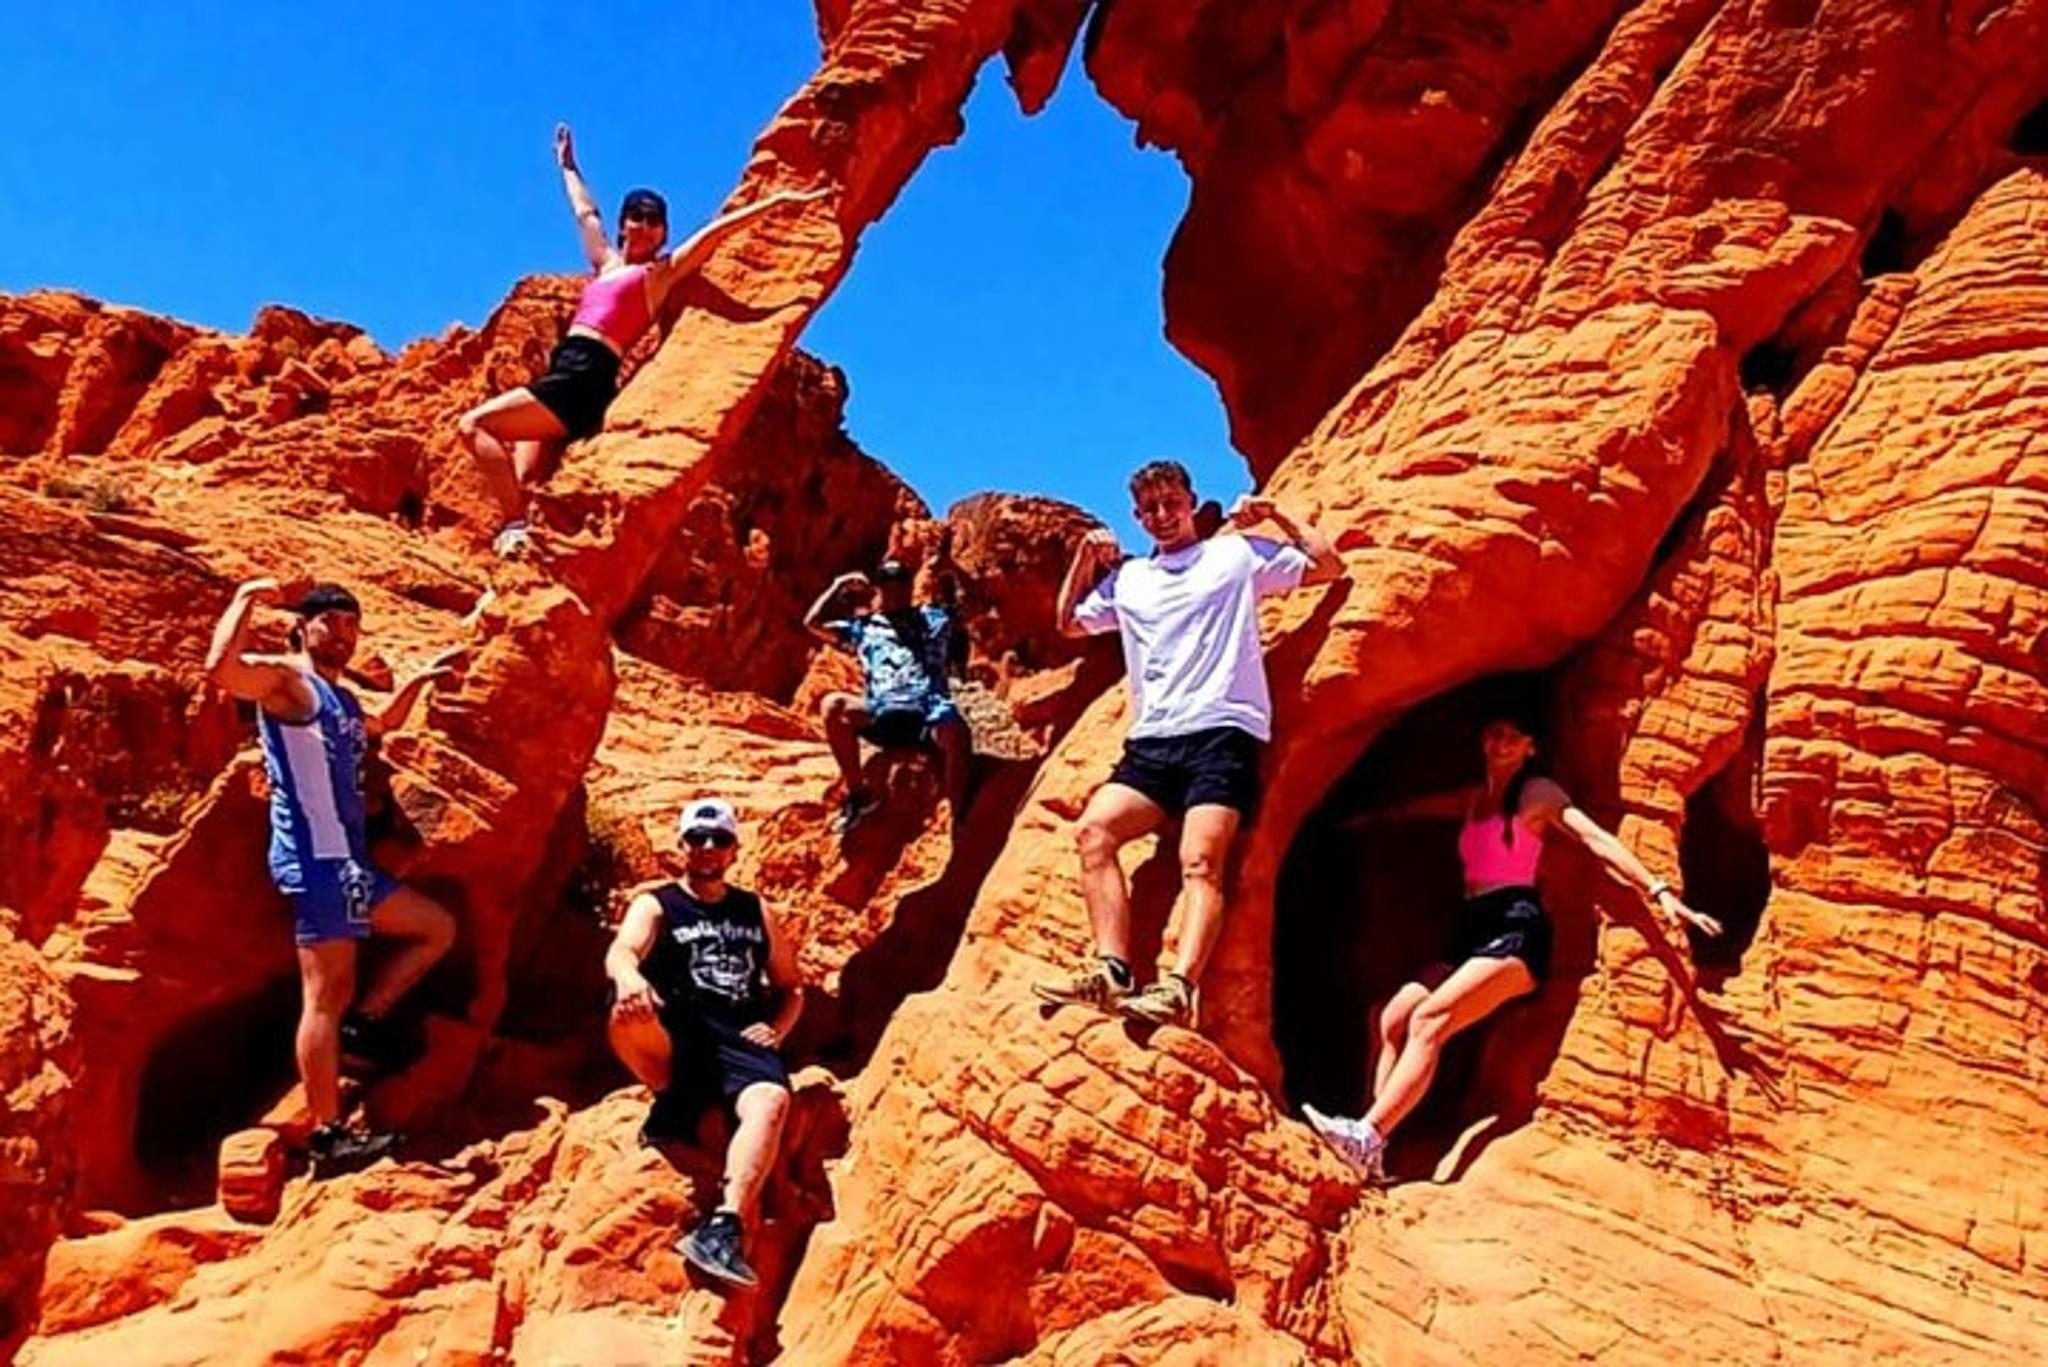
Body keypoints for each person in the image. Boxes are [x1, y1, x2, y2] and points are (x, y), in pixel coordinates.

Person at [1301, 712, 1724, 1184]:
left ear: (1530, 748)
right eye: (1494, 732)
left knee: (1429, 1020)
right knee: (1390, 1017)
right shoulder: (1474, 798)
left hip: (1516, 932)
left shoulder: (1538, 793)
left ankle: (1367, 1136)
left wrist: (1659, 889)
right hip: (1470, 930)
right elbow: (1424, 808)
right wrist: (1362, 819)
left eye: (1513, 736)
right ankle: (1377, 1148)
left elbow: (1595, 838)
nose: (1500, 741)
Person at [1033, 460, 1343, 1028]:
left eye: (1171, 503)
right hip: (1152, 743)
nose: (1162, 516)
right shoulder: (1129, 581)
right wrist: (1084, 560)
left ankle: (1178, 987)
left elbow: (1328, 565)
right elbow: (1070, 624)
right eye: (1149, 510)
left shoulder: (1235, 554)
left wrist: (1274, 515)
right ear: (1137, 517)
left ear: (1191, 502)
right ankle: (1112, 971)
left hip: (1222, 732)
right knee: (1094, 833)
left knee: (1200, 861)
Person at [458, 123, 829, 556]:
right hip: (564, 371)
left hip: (585, 376)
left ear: (664, 233)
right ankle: (525, 553)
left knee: (474, 425)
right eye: (639, 215)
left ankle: (513, 525)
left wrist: (778, 201)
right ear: (624, 225)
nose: (647, 224)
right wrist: (568, 166)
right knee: (528, 484)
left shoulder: (658, 276)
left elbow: (714, 236)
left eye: (656, 220)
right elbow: (585, 214)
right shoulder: (607, 265)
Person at [206, 579, 461, 1176]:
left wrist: (420, 680)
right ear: (304, 625)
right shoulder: (286, 680)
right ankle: (327, 1134)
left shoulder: (341, 700)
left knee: (435, 928)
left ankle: (363, 1024)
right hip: (317, 860)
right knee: (323, 995)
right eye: (332, 622)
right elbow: (220, 669)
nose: (343, 634)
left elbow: (378, 726)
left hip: (350, 865)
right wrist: (247, 596)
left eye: (352, 625)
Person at [604, 798, 804, 1290]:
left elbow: (792, 986)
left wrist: (777, 1030)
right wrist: (629, 978)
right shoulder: (658, 903)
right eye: (698, 838)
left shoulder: (755, 909)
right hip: (676, 1037)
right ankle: (672, 1101)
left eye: (720, 839)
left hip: (738, 1038)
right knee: (628, 1010)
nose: (709, 848)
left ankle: (724, 1226)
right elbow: (623, 950)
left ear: (735, 849)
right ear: (683, 846)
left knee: (773, 1100)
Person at [805, 558, 970, 831]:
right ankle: (859, 795)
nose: (895, 589)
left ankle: (957, 816)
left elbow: (973, 608)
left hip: (928, 717)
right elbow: (812, 623)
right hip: (881, 716)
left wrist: (952, 571)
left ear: (910, 585)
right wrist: (838, 585)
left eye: (901, 582)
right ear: (879, 588)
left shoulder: (933, 619)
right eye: (887, 583)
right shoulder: (864, 627)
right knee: (833, 705)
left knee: (956, 730)